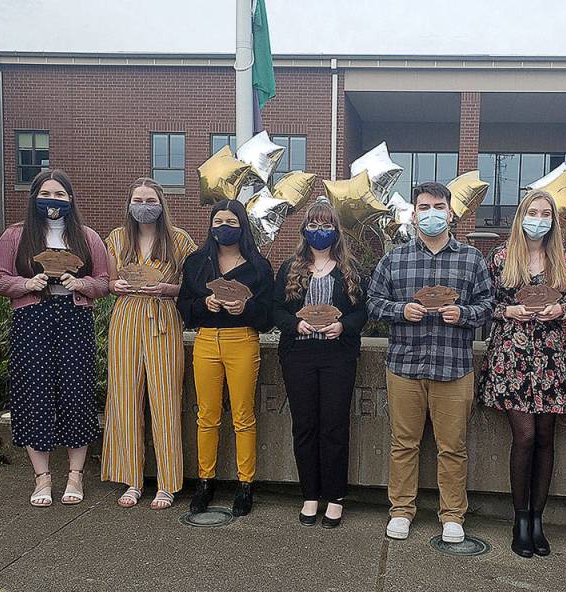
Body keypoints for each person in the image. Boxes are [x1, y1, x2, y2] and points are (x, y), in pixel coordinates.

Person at [367, 181, 493, 544]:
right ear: (413, 214)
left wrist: (464, 314)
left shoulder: (471, 258)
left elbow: (488, 305)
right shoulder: (395, 259)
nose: (431, 214)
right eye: (424, 207)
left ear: (450, 213)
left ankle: (452, 515)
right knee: (403, 444)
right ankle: (401, 510)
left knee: (452, 447)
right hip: (405, 366)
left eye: (438, 207)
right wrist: (400, 310)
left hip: (453, 366)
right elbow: (373, 302)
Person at [0, 169, 109, 508]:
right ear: (34, 197)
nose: (53, 200)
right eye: (46, 194)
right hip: (32, 318)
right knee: (35, 393)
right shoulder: (15, 236)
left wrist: (82, 284)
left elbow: (104, 280)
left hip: (74, 318)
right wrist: (25, 285)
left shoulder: (87, 237)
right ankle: (42, 476)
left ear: (70, 199)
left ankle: (75, 474)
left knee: (77, 391)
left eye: (60, 194)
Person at [479, 189, 566, 558]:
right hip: (511, 357)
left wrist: (560, 311)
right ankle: (519, 519)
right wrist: (508, 312)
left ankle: (537, 519)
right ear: (521, 216)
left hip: (549, 357)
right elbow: (484, 304)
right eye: (533, 212)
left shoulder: (564, 258)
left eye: (545, 214)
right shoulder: (501, 256)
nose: (539, 219)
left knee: (546, 437)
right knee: (525, 435)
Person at [101, 178, 197, 510]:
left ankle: (168, 482)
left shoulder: (179, 239)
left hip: (162, 316)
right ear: (129, 204)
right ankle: (132, 479)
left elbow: (194, 286)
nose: (144, 206)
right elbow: (109, 282)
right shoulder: (117, 238)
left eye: (150, 200)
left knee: (165, 398)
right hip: (127, 316)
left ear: (161, 203)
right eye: (138, 200)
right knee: (125, 397)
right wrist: (116, 286)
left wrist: (168, 289)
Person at [272, 199, 368, 528]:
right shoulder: (290, 268)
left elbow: (363, 311)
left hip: (337, 356)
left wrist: (344, 326)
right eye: (313, 225)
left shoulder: (351, 269)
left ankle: (335, 497)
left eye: (326, 225)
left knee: (334, 427)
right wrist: (294, 324)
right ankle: (310, 495)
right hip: (298, 355)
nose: (320, 231)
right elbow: (275, 309)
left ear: (336, 231)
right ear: (304, 230)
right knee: (305, 427)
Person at [177, 199, 273, 516]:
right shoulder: (196, 262)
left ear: (242, 226)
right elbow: (184, 306)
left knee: (243, 416)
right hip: (206, 340)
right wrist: (203, 304)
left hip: (242, 340)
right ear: (210, 225)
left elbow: (268, 315)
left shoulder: (258, 266)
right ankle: (205, 481)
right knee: (207, 416)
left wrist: (246, 308)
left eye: (231, 222)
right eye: (218, 221)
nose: (224, 227)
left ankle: (246, 484)